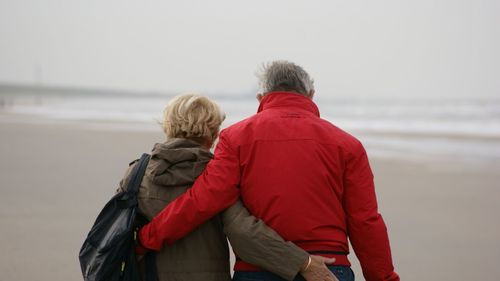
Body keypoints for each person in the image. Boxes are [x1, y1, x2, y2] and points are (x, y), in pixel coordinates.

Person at [138, 61, 400, 281]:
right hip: (331, 270)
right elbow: (365, 221)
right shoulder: (347, 145)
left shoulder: (235, 138)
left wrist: (147, 238)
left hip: (258, 270)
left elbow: (204, 199)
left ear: (261, 97)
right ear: (310, 95)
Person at [118, 93, 338, 281]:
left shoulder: (137, 173)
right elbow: (245, 233)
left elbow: (118, 229)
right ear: (213, 134)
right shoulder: (218, 175)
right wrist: (304, 263)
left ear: (167, 125)